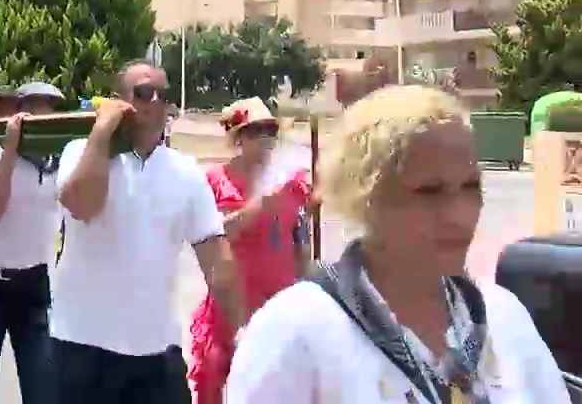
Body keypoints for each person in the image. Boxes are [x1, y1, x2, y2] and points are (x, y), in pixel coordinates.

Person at [227, 86, 571, 404]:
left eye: (470, 187)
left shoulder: (503, 317)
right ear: (366, 197)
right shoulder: (294, 332)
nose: (459, 215)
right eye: (428, 192)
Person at [54, 61, 244, 403]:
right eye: (143, 93)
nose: (155, 102)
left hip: (157, 354)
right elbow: (82, 205)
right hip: (82, 348)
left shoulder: (185, 172)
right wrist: (102, 130)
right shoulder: (80, 152)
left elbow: (217, 261)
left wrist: (244, 333)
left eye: (163, 95)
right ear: (119, 100)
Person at [188, 97, 313, 404]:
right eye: (257, 131)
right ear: (239, 138)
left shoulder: (291, 181)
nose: (267, 139)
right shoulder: (215, 181)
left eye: (271, 131)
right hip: (232, 309)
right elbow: (212, 236)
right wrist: (258, 207)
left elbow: (300, 240)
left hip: (279, 306)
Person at [0, 82, 63, 404]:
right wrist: (10, 150)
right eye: (33, 106)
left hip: (34, 286)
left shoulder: (59, 159)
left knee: (40, 390)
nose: (40, 113)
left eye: (49, 107)